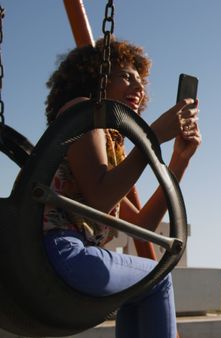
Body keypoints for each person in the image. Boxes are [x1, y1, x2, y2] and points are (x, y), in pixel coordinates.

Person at [42, 37, 201, 338]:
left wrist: (179, 160)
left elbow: (143, 225)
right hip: (59, 251)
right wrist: (150, 137)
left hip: (72, 256)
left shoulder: (110, 146)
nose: (138, 89)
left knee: (138, 290)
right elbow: (100, 198)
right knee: (156, 279)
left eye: (141, 83)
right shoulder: (82, 112)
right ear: (97, 75)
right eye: (126, 76)